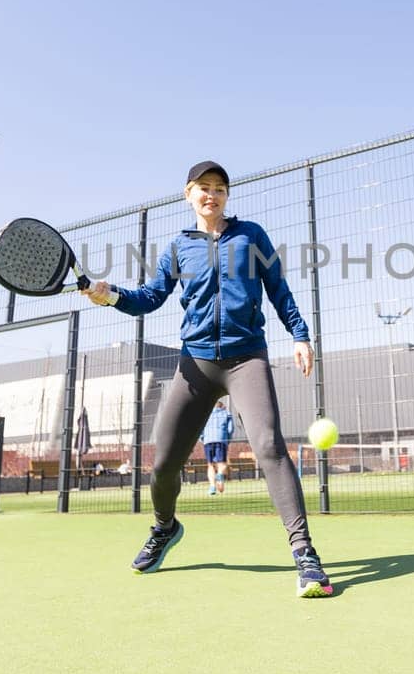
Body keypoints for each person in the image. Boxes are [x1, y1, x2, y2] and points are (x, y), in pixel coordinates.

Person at [84, 160, 333, 598]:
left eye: (219, 188)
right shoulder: (179, 247)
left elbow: (277, 287)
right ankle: (164, 528)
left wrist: (300, 334)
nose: (212, 195)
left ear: (226, 196)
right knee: (162, 464)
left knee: (270, 447)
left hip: (245, 360)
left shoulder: (251, 235)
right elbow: (150, 297)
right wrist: (113, 297)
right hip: (195, 365)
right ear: (188, 194)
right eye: (203, 187)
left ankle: (305, 556)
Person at [202, 400, 234, 495]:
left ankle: (212, 487)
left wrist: (203, 438)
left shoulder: (206, 414)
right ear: (222, 406)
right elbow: (230, 429)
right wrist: (227, 439)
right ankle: (220, 475)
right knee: (222, 464)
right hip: (221, 439)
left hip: (208, 440)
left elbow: (200, 428)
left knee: (210, 464)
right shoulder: (227, 414)